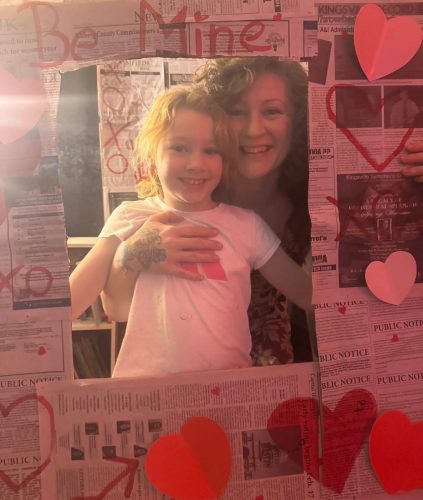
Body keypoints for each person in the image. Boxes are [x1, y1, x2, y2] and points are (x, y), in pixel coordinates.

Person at [96, 86, 311, 378]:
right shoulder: (130, 216)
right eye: (179, 147)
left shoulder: (247, 226)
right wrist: (130, 254)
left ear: (225, 161)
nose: (196, 164)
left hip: (227, 391)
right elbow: (116, 310)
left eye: (211, 150)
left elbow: (308, 295)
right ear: (151, 153)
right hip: (146, 391)